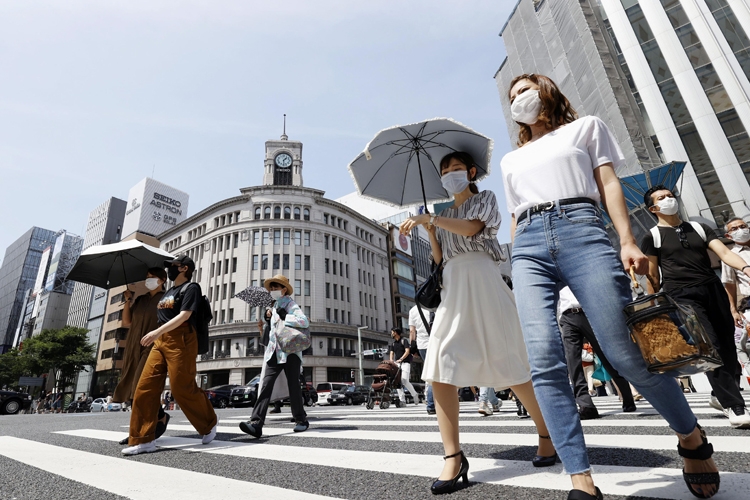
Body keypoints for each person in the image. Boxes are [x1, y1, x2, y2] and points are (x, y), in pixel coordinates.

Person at [503, 73, 720, 499]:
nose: (518, 99)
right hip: (527, 242)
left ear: (546, 92)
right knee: (543, 361)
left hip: (581, 229)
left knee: (625, 352)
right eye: (512, 96)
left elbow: (608, 184)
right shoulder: (512, 159)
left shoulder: (585, 128)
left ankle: (691, 436)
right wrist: (515, 261)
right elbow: (515, 214)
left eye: (525, 90)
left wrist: (625, 238)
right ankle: (580, 478)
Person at [400, 151, 556, 495]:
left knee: (512, 365)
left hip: (484, 278)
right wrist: (430, 228)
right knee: (439, 366)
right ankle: (453, 456)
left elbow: (473, 230)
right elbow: (440, 261)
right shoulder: (441, 214)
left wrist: (434, 220)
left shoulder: (484, 198)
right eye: (444, 171)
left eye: (456, 169)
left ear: (471, 171)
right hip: (453, 286)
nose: (450, 175)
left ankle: (547, 434)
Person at [641, 185, 750, 429]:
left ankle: (719, 395)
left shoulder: (699, 227)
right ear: (653, 208)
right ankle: (735, 405)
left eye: (670, 195)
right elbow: (653, 278)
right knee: (710, 347)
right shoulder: (652, 236)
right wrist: (651, 310)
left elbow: (723, 252)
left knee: (727, 346)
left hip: (712, 290)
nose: (669, 199)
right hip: (681, 296)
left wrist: (745, 267)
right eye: (662, 198)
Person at [122, 255, 218, 456]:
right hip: (161, 341)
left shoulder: (191, 288)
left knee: (181, 387)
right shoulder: (170, 292)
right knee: (144, 387)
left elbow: (185, 315)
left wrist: (156, 332)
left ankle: (208, 423)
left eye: (173, 267)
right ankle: (143, 439)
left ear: (184, 268)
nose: (170, 270)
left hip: (181, 339)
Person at [239, 275, 310, 438]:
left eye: (275, 287)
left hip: (290, 351)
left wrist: (286, 316)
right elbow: (273, 331)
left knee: (293, 385)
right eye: (271, 288)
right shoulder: (274, 306)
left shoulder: (291, 305)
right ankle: (256, 423)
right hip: (273, 352)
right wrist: (268, 317)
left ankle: (301, 420)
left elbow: (304, 322)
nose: (272, 290)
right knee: (265, 385)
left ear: (284, 289)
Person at [557, 286, 636, 419]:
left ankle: (627, 397)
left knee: (606, 356)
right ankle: (586, 405)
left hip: (589, 313)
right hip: (566, 316)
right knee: (573, 362)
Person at [113, 268, 170, 444]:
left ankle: (144, 429)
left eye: (152, 278)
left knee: (140, 386)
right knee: (131, 387)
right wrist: (128, 301)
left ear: (162, 280)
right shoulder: (141, 299)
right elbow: (127, 321)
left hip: (153, 346)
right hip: (133, 346)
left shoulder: (167, 299)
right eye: (147, 277)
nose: (148, 280)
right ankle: (151, 422)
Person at [409, 305, 435, 414]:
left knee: (431, 374)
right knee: (439, 374)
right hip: (437, 342)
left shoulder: (413, 310)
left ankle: (431, 405)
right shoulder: (436, 306)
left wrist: (412, 347)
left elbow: (412, 331)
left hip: (422, 345)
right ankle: (433, 403)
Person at [388, 327, 419, 405]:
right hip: (397, 364)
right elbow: (391, 353)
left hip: (405, 363)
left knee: (404, 380)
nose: (391, 333)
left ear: (395, 332)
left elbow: (407, 351)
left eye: (392, 332)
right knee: (397, 382)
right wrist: (391, 361)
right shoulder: (393, 343)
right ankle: (402, 400)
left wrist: (401, 359)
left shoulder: (404, 341)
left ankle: (415, 394)